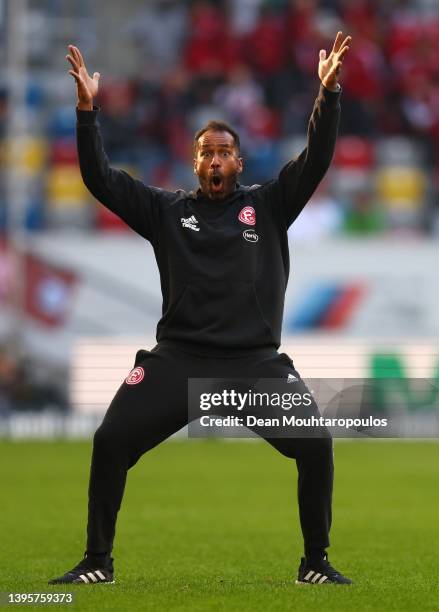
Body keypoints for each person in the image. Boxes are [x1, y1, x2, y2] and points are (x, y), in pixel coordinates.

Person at [49, 32, 352, 586]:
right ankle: (98, 563)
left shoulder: (268, 204)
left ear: (239, 161)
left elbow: (317, 158)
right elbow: (100, 180)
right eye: (206, 151)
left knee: (316, 445)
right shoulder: (166, 211)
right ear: (194, 162)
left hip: (252, 365)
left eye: (224, 151)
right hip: (178, 360)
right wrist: (87, 113)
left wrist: (327, 95)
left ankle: (316, 563)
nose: (215, 158)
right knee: (110, 441)